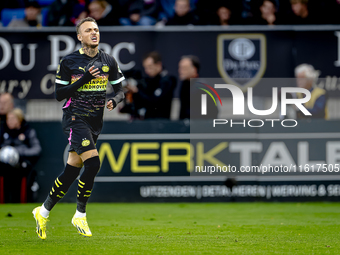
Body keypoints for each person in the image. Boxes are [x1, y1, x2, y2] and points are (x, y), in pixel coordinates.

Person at [32, 17, 125, 240]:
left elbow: (121, 89)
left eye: (96, 29)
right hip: (75, 118)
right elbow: (58, 95)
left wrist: (115, 100)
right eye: (88, 30)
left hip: (95, 122)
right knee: (93, 163)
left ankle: (42, 211)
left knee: (72, 169)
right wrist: (84, 78)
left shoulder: (108, 61)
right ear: (79, 36)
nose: (94, 33)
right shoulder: (69, 62)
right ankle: (80, 214)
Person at [0, 108, 41, 203]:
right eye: (8, 119)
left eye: (12, 119)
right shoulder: (2, 131)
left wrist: (18, 152)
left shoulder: (28, 131)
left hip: (21, 166)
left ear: (19, 120)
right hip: (3, 165)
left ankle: (20, 200)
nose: (9, 121)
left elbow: (36, 150)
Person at [126, 51, 176, 119]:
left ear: (158, 65)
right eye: (145, 68)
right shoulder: (149, 81)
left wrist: (137, 91)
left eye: (150, 67)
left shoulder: (167, 80)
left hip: (161, 122)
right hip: (148, 122)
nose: (147, 71)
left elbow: (154, 100)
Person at [178, 55, 217, 119]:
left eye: (184, 68)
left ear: (194, 69)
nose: (180, 71)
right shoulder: (184, 85)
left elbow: (212, 112)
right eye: (180, 68)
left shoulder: (202, 88)